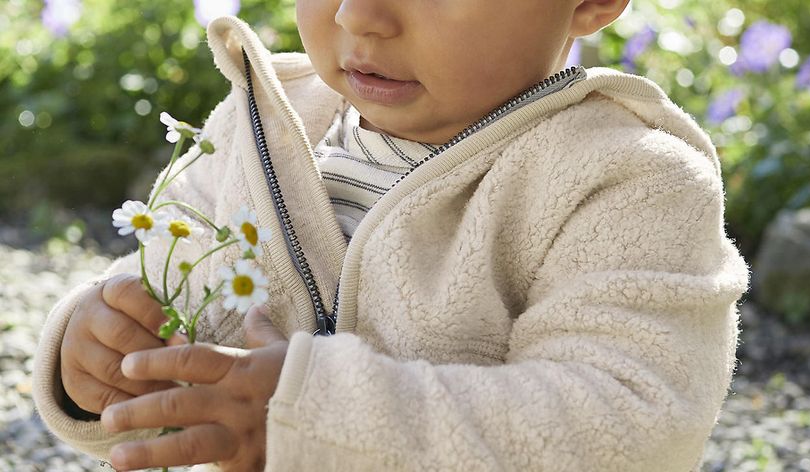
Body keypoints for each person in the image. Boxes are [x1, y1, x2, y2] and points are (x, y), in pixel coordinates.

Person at [33, 0, 751, 470]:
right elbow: (165, 326)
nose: (362, 16)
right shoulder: (258, 130)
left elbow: (631, 426)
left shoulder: (629, 181)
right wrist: (98, 356)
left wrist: (318, 419)